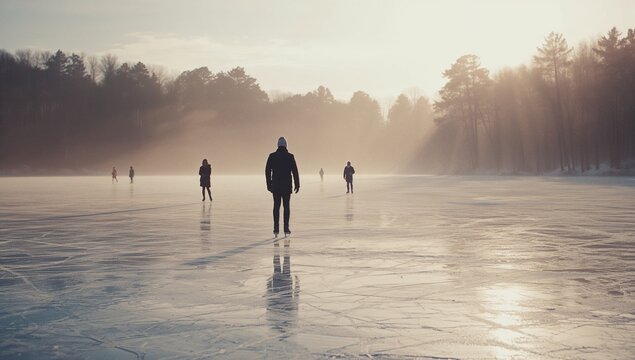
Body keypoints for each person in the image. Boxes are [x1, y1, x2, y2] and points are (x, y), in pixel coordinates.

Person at [265, 137, 300, 237]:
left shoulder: (272, 156)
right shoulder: (290, 156)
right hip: (286, 186)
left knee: (276, 206)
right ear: (286, 145)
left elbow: (267, 171)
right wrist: (297, 184)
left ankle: (276, 228)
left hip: (276, 186)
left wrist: (269, 184)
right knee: (286, 207)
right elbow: (295, 172)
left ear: (278, 145)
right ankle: (286, 228)